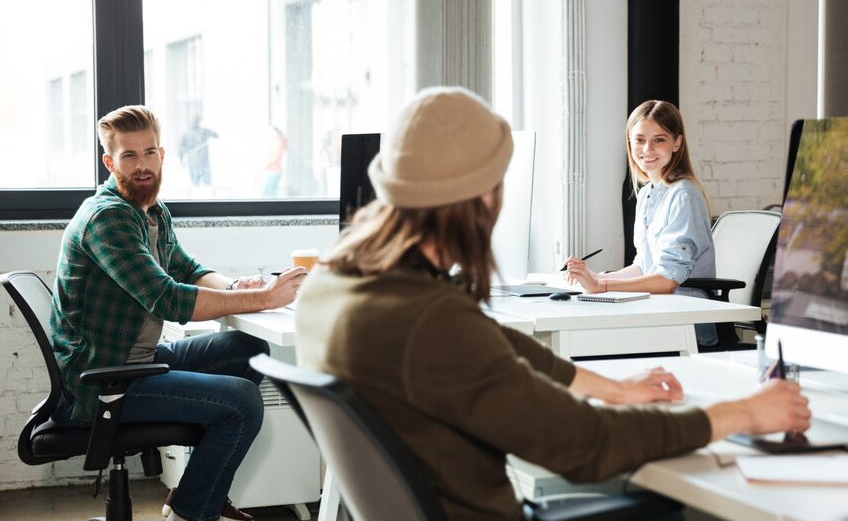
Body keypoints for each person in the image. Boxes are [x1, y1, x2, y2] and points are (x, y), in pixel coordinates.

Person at [293, 87, 810, 521]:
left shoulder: (337, 283)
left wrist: (615, 388)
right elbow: (588, 445)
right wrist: (741, 413)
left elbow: (491, 341)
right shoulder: (429, 322)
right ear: (481, 195)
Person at [50, 105, 306, 521]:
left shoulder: (150, 210)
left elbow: (189, 270)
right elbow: (168, 299)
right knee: (241, 402)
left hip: (136, 363)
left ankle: (196, 494)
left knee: (247, 348)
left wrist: (242, 287)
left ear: (163, 155)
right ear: (109, 162)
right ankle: (192, 511)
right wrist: (266, 299)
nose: (142, 165)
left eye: (149, 152)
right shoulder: (108, 218)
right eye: (129, 156)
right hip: (101, 383)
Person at [563, 100, 719, 346]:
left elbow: (667, 281)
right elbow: (643, 266)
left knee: (585, 344)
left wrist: (602, 285)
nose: (647, 148)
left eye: (659, 139)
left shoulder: (683, 194)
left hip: (682, 324)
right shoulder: (647, 194)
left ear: (676, 142)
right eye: (639, 140)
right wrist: (595, 275)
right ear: (629, 142)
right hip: (654, 313)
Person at [179, 115, 218, 187]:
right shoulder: (187, 134)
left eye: (196, 120)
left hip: (203, 164)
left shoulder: (204, 131)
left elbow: (216, 135)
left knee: (206, 185)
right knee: (196, 185)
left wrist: (181, 160)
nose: (195, 122)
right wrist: (181, 160)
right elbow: (181, 149)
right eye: (194, 121)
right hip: (194, 165)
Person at [261, 126, 288, 197]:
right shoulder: (276, 143)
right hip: (273, 171)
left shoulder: (278, 143)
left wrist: (266, 165)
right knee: (270, 191)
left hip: (274, 171)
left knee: (267, 192)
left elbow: (275, 158)